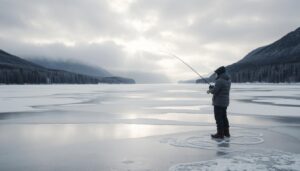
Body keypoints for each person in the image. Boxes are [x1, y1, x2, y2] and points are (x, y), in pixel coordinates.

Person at [207, 66, 231, 139]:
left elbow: (215, 91)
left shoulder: (219, 80)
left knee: (218, 119)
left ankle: (220, 134)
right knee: (224, 117)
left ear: (219, 73)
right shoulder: (228, 80)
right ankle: (226, 133)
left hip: (219, 102)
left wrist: (210, 90)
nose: (216, 75)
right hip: (225, 102)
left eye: (217, 73)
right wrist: (213, 88)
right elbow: (221, 89)